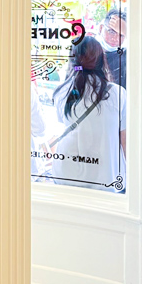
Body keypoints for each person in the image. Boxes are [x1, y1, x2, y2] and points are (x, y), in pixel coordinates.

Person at [51, 35, 126, 191]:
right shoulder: (116, 93)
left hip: (66, 175)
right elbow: (125, 140)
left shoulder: (61, 92)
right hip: (105, 177)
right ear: (101, 60)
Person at [99, 7, 127, 89]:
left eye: (121, 35)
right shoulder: (88, 52)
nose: (116, 39)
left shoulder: (127, 57)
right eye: (111, 32)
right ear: (101, 28)